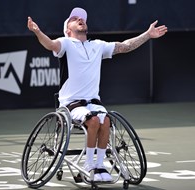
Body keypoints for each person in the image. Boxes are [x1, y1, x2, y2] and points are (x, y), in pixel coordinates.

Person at [27, 7, 167, 182]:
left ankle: (100, 166)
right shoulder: (65, 43)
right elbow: (50, 44)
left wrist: (147, 34)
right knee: (93, 120)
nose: (80, 19)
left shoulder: (98, 45)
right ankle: (89, 165)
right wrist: (37, 31)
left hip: (94, 102)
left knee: (106, 120)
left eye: (82, 18)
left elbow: (125, 46)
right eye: (75, 18)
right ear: (68, 29)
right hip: (71, 104)